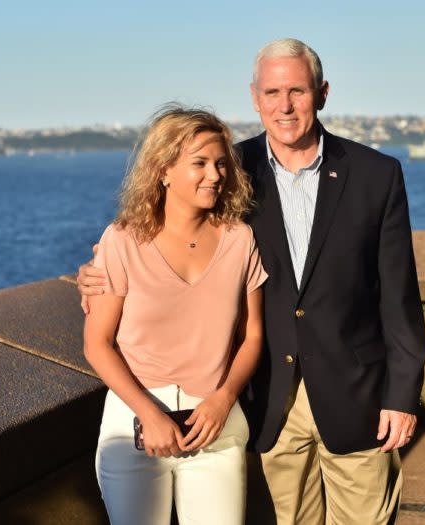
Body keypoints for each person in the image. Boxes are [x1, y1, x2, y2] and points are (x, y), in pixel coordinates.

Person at [79, 39, 425, 525]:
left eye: (297, 91)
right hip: (269, 399)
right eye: (272, 92)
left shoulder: (376, 174)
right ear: (254, 97)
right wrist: (95, 271)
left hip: (358, 394)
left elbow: (399, 295)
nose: (284, 106)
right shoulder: (230, 170)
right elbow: (157, 234)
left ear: (322, 93)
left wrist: (402, 395)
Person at [82, 106, 268, 525]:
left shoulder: (240, 239)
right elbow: (96, 343)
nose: (216, 175)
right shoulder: (122, 240)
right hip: (135, 429)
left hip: (216, 426)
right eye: (199, 163)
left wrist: (223, 400)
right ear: (163, 170)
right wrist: (149, 414)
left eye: (221, 164)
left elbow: (252, 336)